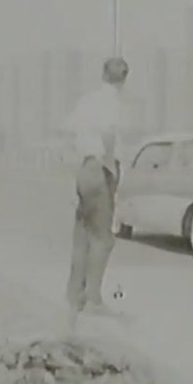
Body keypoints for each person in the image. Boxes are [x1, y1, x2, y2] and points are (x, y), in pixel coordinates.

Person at [63, 56, 129, 327]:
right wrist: (111, 167)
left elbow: (71, 131)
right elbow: (109, 134)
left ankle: (74, 295)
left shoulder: (86, 100)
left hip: (84, 168)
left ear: (103, 73)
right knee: (104, 238)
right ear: (124, 78)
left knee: (83, 236)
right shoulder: (112, 101)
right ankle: (93, 300)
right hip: (100, 168)